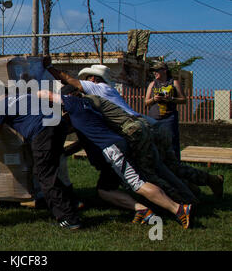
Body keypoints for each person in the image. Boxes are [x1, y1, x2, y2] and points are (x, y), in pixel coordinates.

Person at [45, 59, 224, 199]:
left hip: (137, 129)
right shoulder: (109, 91)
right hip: (151, 125)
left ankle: (184, 201)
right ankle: (207, 182)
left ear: (93, 78)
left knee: (149, 173)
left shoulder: (97, 87)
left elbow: (68, 80)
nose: (82, 84)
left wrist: (49, 66)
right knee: (169, 166)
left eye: (85, 79)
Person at [37, 89, 194, 229]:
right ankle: (141, 210)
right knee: (105, 190)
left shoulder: (73, 102)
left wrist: (29, 93)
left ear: (68, 96)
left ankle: (178, 208)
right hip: (117, 143)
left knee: (137, 183)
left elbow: (46, 95)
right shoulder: (88, 105)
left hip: (112, 148)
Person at [0, 89, 82, 230]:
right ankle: (72, 204)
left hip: (42, 130)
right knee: (51, 169)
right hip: (58, 124)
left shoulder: (1, 106)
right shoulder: (25, 96)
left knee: (44, 174)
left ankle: (69, 218)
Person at [145, 61, 186, 162]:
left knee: (172, 143)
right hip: (154, 118)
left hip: (169, 118)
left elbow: (183, 100)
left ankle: (175, 165)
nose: (154, 73)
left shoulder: (174, 83)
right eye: (153, 71)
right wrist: (154, 99)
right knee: (154, 143)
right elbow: (146, 102)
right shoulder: (152, 84)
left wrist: (171, 99)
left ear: (164, 71)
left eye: (156, 70)